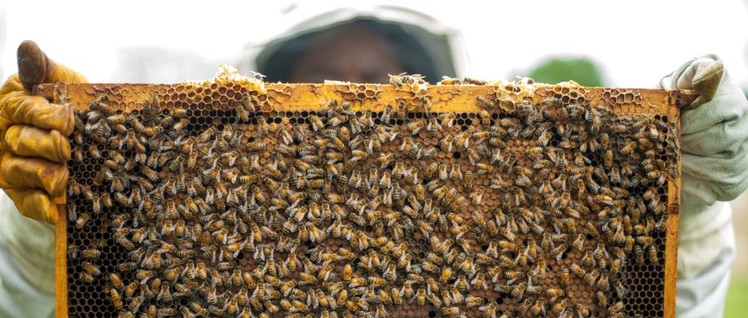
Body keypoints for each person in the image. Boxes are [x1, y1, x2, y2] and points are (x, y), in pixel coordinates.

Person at [0, 5, 746, 318]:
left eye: (388, 89)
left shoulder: (505, 252)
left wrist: (691, 203)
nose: (359, 117)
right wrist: (50, 239)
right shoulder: (193, 249)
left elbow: (662, 296)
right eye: (324, 93)